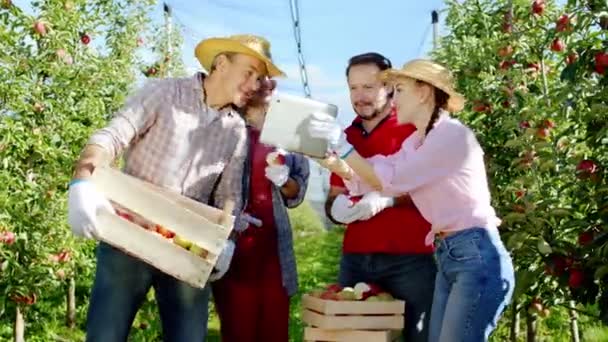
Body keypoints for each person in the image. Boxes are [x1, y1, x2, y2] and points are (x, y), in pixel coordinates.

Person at [66, 34, 285, 342]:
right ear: (221, 64)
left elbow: (229, 196)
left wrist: (227, 241)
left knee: (189, 337)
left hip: (187, 247)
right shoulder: (164, 94)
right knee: (106, 335)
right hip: (128, 235)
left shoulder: (234, 129)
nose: (254, 83)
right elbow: (111, 137)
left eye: (259, 78)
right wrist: (82, 181)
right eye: (249, 72)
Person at [310, 59, 515, 341]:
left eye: (400, 90)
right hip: (450, 253)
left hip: (475, 253)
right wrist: (332, 160)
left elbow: (388, 181)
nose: (394, 98)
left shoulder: (450, 136)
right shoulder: (417, 142)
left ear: (423, 93)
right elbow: (377, 171)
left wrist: (344, 148)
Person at [323, 52, 436, 342]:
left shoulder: (413, 126)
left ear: (388, 87)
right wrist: (336, 209)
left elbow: (435, 187)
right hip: (357, 258)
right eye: (353, 88)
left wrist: (387, 200)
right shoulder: (345, 137)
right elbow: (336, 192)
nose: (360, 96)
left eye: (368, 87)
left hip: (410, 259)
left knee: (417, 335)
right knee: (350, 337)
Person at [211, 78, 310, 342]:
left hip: (273, 250)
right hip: (234, 247)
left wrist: (283, 180)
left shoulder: (289, 136)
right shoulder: (224, 127)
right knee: (237, 328)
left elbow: (295, 194)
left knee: (274, 328)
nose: (266, 87)